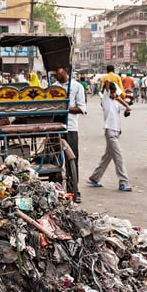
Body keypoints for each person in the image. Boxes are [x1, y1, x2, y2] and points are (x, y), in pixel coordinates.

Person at [86, 81, 132, 192]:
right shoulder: (106, 100)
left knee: (107, 157)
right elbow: (106, 83)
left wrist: (118, 98)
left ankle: (94, 178)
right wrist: (109, 87)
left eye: (114, 92)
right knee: (118, 157)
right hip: (110, 132)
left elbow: (128, 108)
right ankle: (123, 182)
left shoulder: (115, 102)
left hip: (116, 131)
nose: (112, 94)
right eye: (111, 92)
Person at [54, 67, 86, 202]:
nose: (56, 74)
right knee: (54, 160)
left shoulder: (77, 86)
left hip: (71, 127)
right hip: (55, 127)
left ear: (66, 70)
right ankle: (56, 189)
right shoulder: (53, 87)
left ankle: (74, 190)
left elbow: (81, 108)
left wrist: (64, 108)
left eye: (58, 71)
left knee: (72, 160)